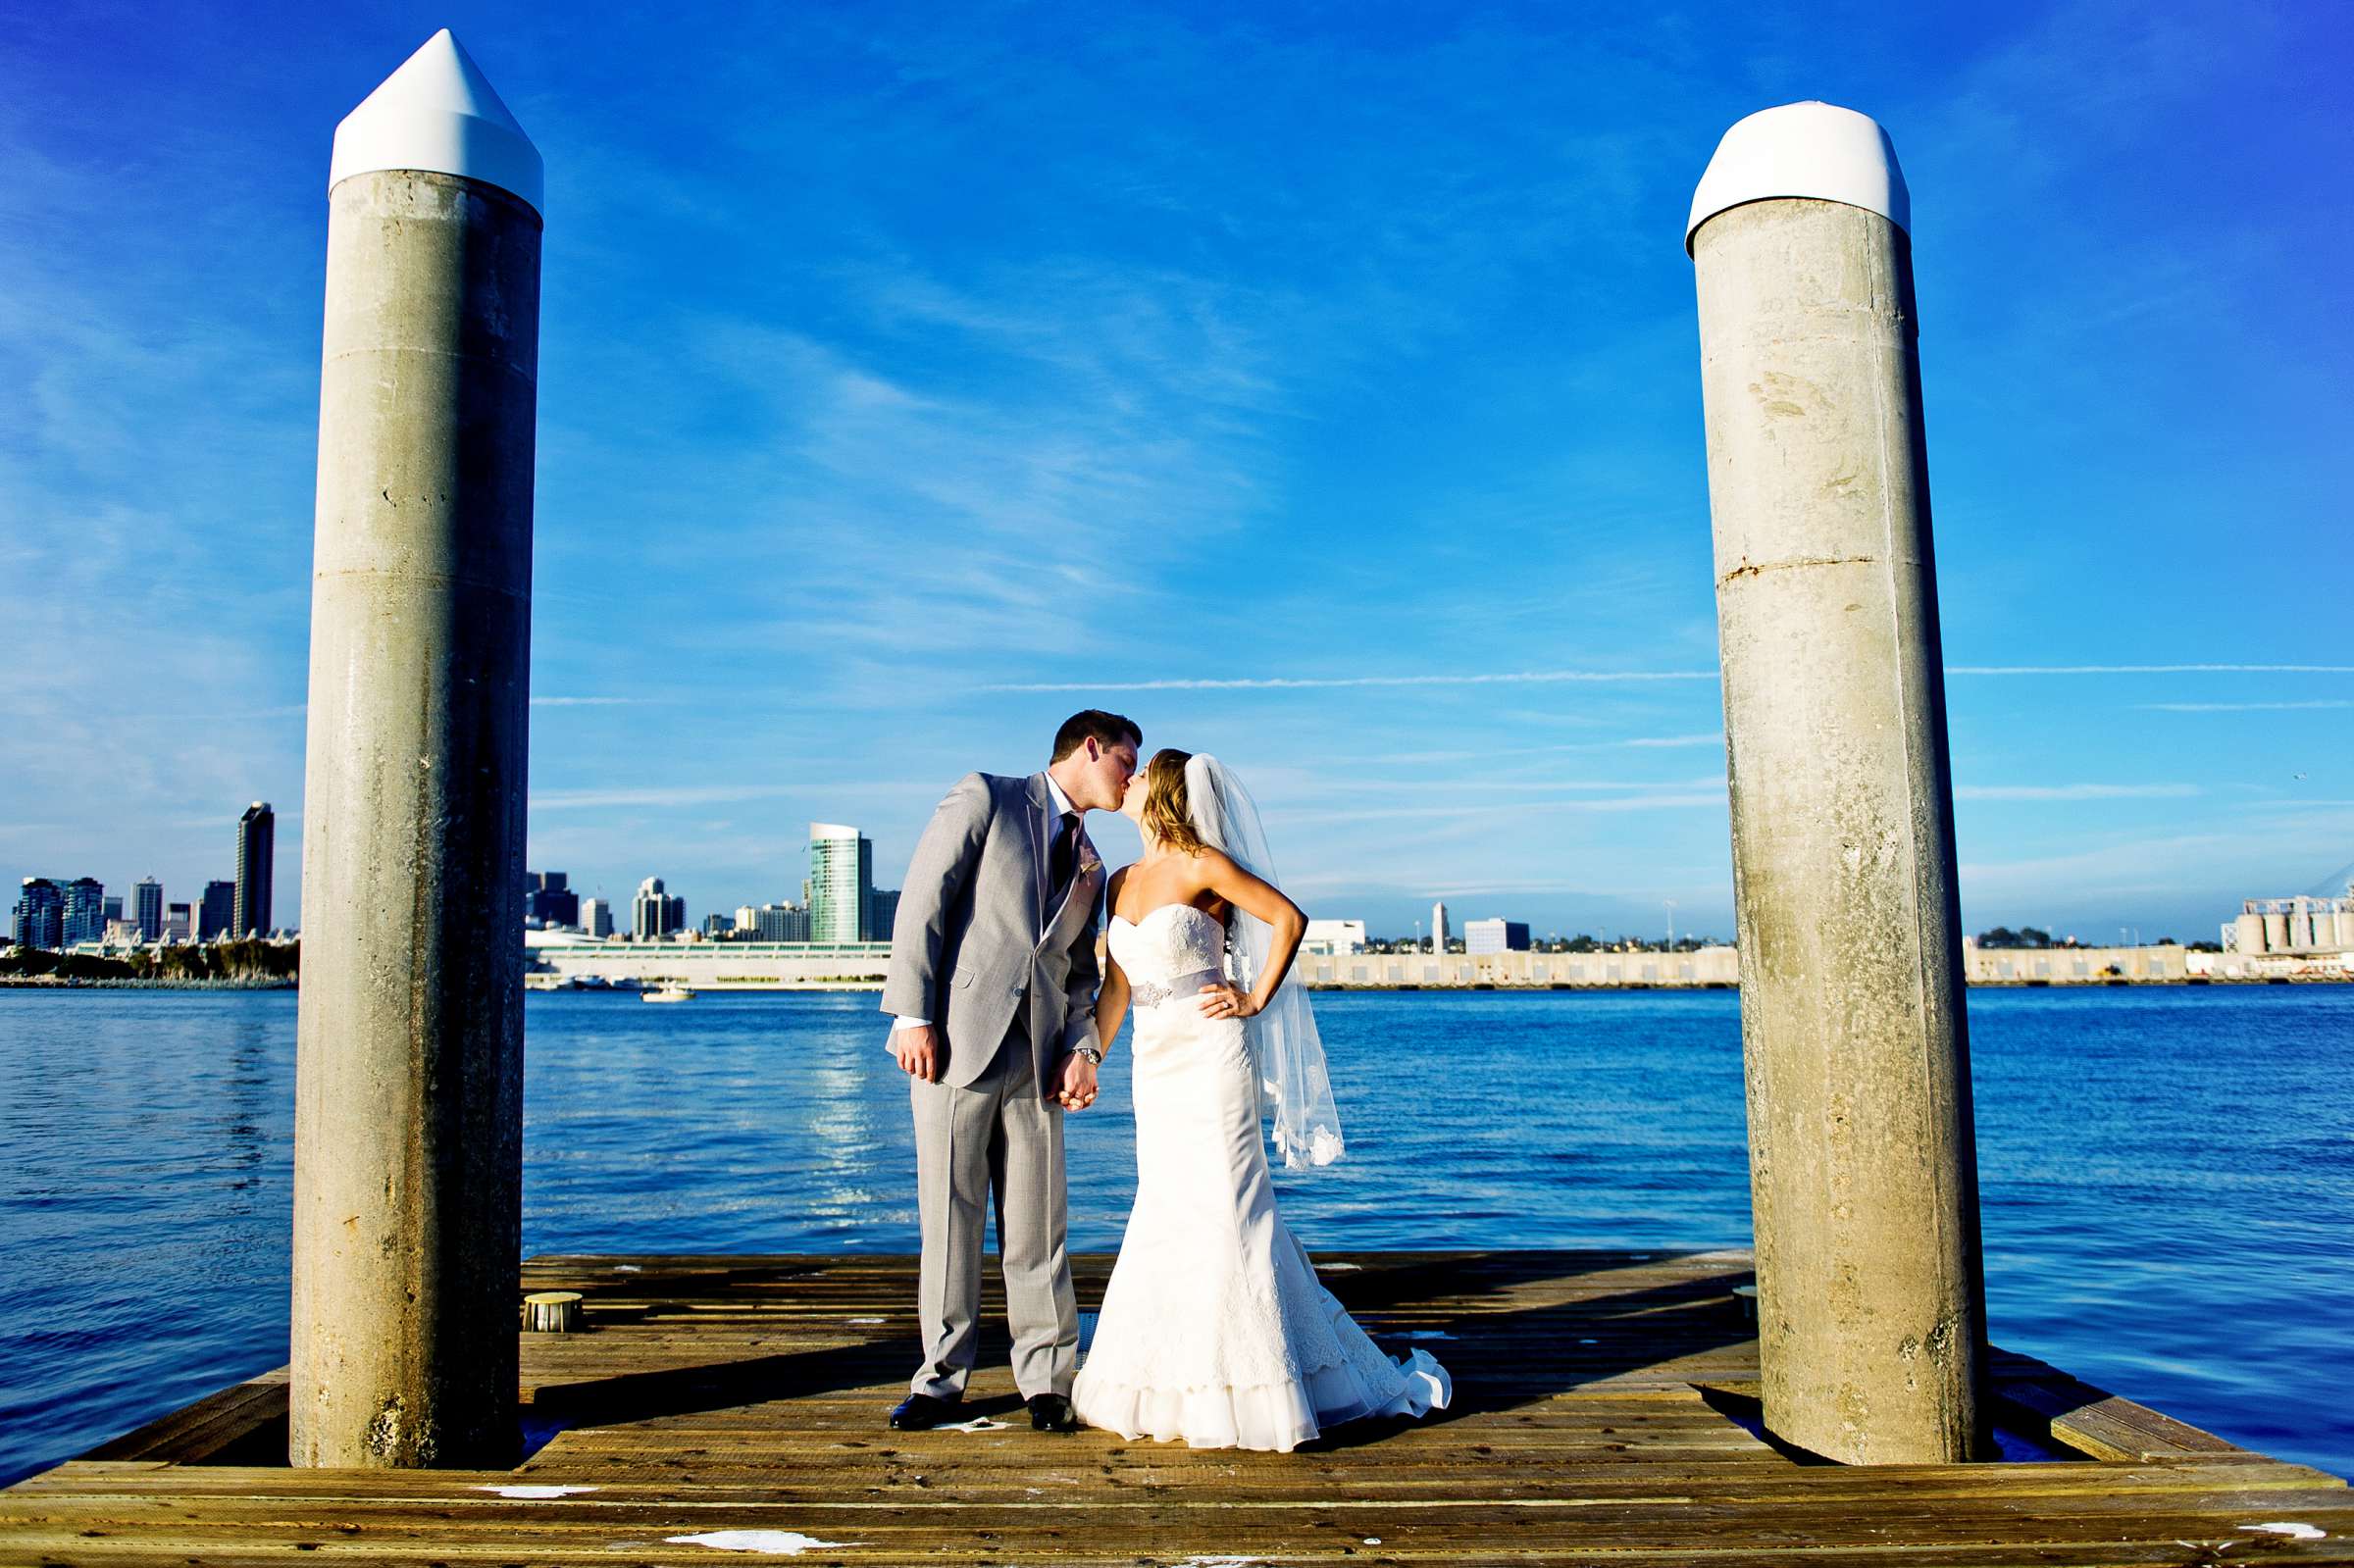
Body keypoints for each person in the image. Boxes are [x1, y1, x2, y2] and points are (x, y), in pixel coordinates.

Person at [1070, 748, 1450, 1450]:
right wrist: (1089, 1056)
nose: (1131, 780)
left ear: (1169, 791)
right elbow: (1115, 990)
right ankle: (1173, 1383)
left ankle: (1258, 1387)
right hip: (1154, 1065)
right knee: (1165, 1207)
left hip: (1212, 1055)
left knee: (1230, 1209)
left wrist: (1253, 996)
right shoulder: (1121, 881)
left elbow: (1288, 918)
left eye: (1144, 772)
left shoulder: (1203, 863)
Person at [879, 710, 1141, 1434]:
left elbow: (1083, 975)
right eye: (1126, 759)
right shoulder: (987, 798)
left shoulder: (1093, 864)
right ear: (1091, 747)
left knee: (1038, 1227)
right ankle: (939, 1379)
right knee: (950, 1218)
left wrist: (1083, 1048)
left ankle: (1047, 1380)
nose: (1131, 775)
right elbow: (924, 898)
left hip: (1038, 1061)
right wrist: (910, 1014)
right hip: (955, 1045)